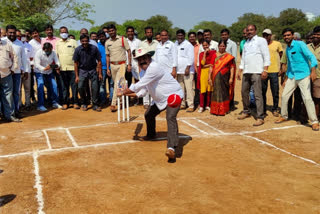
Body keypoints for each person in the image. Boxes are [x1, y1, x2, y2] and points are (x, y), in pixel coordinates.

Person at [119, 47, 183, 163]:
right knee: (148, 114)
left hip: (173, 96)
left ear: (149, 57)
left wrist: (124, 91)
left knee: (170, 117)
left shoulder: (154, 67)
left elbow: (139, 85)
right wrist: (128, 95)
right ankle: (151, 134)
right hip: (159, 99)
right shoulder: (143, 72)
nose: (142, 61)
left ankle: (171, 148)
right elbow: (143, 91)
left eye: (144, 58)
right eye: (139, 59)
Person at [276, 28, 319, 131]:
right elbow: (290, 65)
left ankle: (314, 122)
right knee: (285, 96)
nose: (286, 37)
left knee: (307, 98)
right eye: (285, 36)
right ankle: (284, 116)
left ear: (292, 35)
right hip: (292, 76)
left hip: (304, 75)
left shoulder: (300, 45)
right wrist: (286, 78)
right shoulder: (288, 48)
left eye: (288, 35)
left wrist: (313, 71)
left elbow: (311, 57)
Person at [237, 24, 270, 126]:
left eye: (251, 30)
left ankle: (260, 117)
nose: (249, 32)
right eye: (248, 30)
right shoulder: (246, 43)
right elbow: (244, 58)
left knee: (257, 94)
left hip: (257, 71)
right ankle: (246, 111)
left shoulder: (261, 40)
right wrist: (240, 70)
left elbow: (266, 55)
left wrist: (265, 70)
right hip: (246, 71)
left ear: (255, 30)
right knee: (244, 92)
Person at [105, 24, 132, 112]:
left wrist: (129, 64)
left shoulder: (122, 39)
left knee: (117, 83)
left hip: (122, 64)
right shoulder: (107, 42)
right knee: (119, 84)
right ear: (108, 32)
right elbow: (107, 56)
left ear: (115, 30)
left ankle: (113, 104)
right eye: (109, 31)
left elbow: (128, 51)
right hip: (112, 65)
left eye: (112, 30)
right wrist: (108, 68)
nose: (111, 32)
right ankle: (120, 101)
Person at [4, 25, 28, 118]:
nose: (12, 34)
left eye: (13, 32)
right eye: (10, 32)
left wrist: (25, 70)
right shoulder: (2, 42)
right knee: (6, 93)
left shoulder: (20, 44)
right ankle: (6, 112)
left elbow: (24, 58)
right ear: (6, 33)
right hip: (5, 72)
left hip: (17, 72)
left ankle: (15, 111)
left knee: (16, 92)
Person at [74, 34, 102, 112]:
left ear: (89, 41)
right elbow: (75, 63)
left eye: (86, 41)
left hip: (93, 69)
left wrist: (99, 73)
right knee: (80, 86)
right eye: (83, 41)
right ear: (80, 41)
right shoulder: (77, 49)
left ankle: (95, 104)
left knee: (95, 87)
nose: (84, 42)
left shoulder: (94, 48)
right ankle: (84, 103)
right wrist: (76, 76)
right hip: (82, 70)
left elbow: (99, 61)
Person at [55, 26, 79, 110]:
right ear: (60, 33)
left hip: (72, 68)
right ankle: (65, 102)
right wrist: (57, 67)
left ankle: (75, 102)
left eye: (65, 32)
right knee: (64, 87)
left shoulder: (73, 42)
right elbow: (56, 56)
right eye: (62, 32)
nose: (63, 33)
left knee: (74, 86)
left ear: (67, 33)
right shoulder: (58, 43)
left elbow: (77, 54)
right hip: (62, 69)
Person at [210, 40, 235, 115]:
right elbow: (211, 67)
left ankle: (224, 110)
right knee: (216, 92)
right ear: (218, 47)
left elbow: (232, 67)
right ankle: (215, 110)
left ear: (226, 47)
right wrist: (209, 78)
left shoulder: (228, 56)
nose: (222, 47)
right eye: (220, 46)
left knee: (224, 93)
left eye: (223, 46)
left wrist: (231, 78)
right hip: (216, 77)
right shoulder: (214, 55)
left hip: (225, 78)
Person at [34, 43, 62, 111]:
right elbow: (37, 64)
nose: (48, 51)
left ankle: (54, 102)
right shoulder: (38, 53)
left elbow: (58, 62)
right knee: (40, 87)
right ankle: (40, 105)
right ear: (44, 49)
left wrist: (55, 66)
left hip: (49, 72)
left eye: (50, 50)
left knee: (54, 86)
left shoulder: (53, 52)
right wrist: (44, 68)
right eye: (47, 50)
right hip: (40, 72)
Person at [262, 29, 283, 117]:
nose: (266, 37)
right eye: (264, 35)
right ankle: (263, 109)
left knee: (275, 91)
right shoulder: (261, 45)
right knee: (263, 91)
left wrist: (281, 68)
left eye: (267, 35)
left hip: (274, 71)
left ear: (271, 35)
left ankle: (275, 109)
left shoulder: (277, 44)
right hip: (263, 71)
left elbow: (282, 55)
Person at [0, 28, 20, 122]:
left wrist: (13, 69)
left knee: (8, 95)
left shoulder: (7, 44)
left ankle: (10, 116)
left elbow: (14, 57)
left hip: (6, 74)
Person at [41, 24, 63, 103]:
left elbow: (60, 53)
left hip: (57, 65)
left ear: (52, 30)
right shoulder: (43, 40)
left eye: (50, 29)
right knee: (50, 84)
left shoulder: (58, 40)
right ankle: (50, 99)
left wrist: (58, 66)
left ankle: (61, 99)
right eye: (47, 30)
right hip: (48, 66)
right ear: (45, 31)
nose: (49, 31)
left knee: (60, 83)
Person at [138, 26, 159, 108]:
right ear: (145, 34)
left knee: (154, 84)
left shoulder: (157, 43)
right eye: (147, 32)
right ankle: (146, 102)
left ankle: (153, 101)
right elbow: (139, 56)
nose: (149, 33)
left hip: (154, 67)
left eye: (150, 32)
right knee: (145, 84)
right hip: (144, 67)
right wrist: (140, 67)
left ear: (152, 33)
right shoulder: (141, 44)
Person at [175, 29, 195, 112]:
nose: (180, 37)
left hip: (187, 71)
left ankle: (191, 105)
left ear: (184, 36)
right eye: (178, 35)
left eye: (181, 35)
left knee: (189, 88)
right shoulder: (175, 44)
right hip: (178, 70)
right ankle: (182, 104)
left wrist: (187, 68)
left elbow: (191, 57)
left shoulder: (188, 45)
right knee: (180, 88)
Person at [197, 40, 216, 112]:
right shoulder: (201, 54)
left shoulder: (213, 53)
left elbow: (213, 63)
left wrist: (207, 65)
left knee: (209, 90)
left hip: (211, 72)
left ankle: (207, 105)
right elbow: (202, 64)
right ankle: (201, 106)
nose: (205, 47)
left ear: (209, 45)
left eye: (206, 45)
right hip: (203, 73)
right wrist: (205, 53)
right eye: (204, 45)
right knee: (203, 90)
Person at [17, 29, 33, 111]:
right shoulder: (17, 45)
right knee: (18, 89)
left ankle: (28, 103)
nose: (22, 37)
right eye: (20, 36)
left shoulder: (29, 46)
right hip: (18, 71)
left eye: (24, 36)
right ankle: (19, 104)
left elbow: (31, 58)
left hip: (27, 71)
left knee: (27, 88)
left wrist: (27, 69)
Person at [97, 30, 113, 106]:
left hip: (111, 67)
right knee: (102, 85)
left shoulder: (110, 43)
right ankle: (103, 100)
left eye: (103, 36)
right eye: (100, 37)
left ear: (105, 36)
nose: (102, 38)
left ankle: (111, 100)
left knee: (111, 84)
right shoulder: (97, 45)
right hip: (102, 68)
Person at [308, 26, 320, 119]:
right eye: (315, 34)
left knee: (317, 98)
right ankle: (304, 116)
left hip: (318, 77)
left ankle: (315, 117)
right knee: (306, 97)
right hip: (306, 76)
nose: (316, 36)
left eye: (318, 34)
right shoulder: (307, 47)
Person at [29, 27, 42, 104]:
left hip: (46, 65)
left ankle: (47, 98)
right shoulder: (31, 43)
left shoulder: (43, 40)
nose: (35, 35)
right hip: (36, 66)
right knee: (39, 83)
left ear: (38, 33)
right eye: (33, 33)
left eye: (36, 33)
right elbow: (31, 56)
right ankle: (39, 100)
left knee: (47, 83)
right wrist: (33, 65)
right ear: (31, 35)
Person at [188, 31, 201, 108]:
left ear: (195, 37)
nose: (192, 38)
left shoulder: (199, 46)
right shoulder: (186, 46)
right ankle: (188, 102)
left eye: (193, 36)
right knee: (188, 87)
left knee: (197, 87)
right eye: (190, 37)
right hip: (188, 70)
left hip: (196, 69)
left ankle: (197, 101)